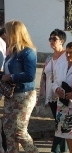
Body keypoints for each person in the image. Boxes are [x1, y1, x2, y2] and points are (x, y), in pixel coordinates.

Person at [1, 20, 38, 152]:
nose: (4, 34)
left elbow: (30, 75)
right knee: (8, 129)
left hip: (24, 95)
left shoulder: (28, 52)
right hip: (11, 95)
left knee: (19, 130)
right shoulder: (11, 52)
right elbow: (7, 72)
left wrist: (11, 76)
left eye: (6, 31)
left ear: (14, 33)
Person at [37, 29, 68, 153]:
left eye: (54, 39)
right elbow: (44, 77)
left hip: (63, 95)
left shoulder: (67, 55)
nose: (51, 41)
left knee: (61, 123)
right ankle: (62, 149)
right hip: (51, 96)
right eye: (50, 39)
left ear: (62, 41)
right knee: (59, 123)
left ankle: (56, 150)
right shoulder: (49, 57)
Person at [53, 42, 72, 153]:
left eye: (71, 53)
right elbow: (54, 81)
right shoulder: (61, 65)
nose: (68, 55)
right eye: (67, 52)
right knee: (65, 132)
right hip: (62, 103)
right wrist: (56, 89)